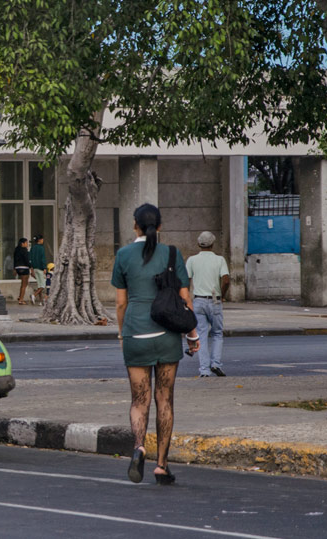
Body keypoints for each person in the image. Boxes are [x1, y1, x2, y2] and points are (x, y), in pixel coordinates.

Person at [111, 203, 199, 485]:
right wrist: (193, 335)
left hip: (136, 332)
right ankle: (161, 464)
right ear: (159, 227)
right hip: (166, 335)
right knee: (165, 399)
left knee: (139, 400)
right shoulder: (172, 253)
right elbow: (185, 300)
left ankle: (138, 446)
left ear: (134, 225)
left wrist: (123, 333)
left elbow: (121, 302)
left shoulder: (123, 255)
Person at [186, 231, 230, 378]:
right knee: (217, 333)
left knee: (201, 335)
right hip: (215, 299)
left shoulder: (192, 260)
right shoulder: (220, 260)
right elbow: (226, 280)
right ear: (213, 244)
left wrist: (186, 300)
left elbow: (186, 281)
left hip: (198, 300)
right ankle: (216, 364)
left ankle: (204, 370)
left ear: (199, 244)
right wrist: (222, 295)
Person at [29, 234, 48, 305]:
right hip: (40, 268)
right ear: (40, 240)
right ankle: (34, 295)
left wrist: (31, 269)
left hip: (34, 268)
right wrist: (45, 267)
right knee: (43, 285)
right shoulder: (41, 248)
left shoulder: (32, 248)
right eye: (42, 239)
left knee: (39, 285)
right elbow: (43, 258)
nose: (43, 240)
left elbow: (30, 258)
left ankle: (40, 301)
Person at [12, 238, 31, 305]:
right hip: (24, 268)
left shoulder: (16, 250)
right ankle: (21, 299)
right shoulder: (24, 250)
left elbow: (14, 260)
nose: (27, 244)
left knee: (22, 284)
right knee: (24, 284)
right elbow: (26, 260)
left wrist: (14, 268)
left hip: (18, 268)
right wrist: (30, 266)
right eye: (26, 243)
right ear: (22, 243)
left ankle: (20, 296)